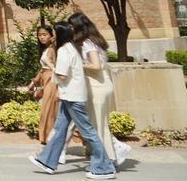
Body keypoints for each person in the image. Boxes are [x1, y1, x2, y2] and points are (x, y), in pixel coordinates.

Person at [30, 22, 116, 179]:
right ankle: (47, 160)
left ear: (60, 34)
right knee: (60, 129)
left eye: (54, 33)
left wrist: (51, 68)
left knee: (88, 131)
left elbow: (62, 76)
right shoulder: (72, 47)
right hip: (70, 95)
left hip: (72, 96)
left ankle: (105, 167)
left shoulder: (63, 50)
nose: (52, 36)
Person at [70, 12, 130, 168]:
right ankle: (111, 154)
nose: (70, 29)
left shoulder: (88, 43)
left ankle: (109, 158)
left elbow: (96, 66)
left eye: (72, 25)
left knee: (98, 125)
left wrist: (78, 64)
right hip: (102, 83)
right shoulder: (96, 41)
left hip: (97, 85)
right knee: (97, 124)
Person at [27, 24, 60, 145]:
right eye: (39, 35)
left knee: (49, 109)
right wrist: (33, 82)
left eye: (44, 34)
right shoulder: (46, 49)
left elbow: (54, 67)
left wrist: (55, 40)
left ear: (51, 35)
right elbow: (42, 69)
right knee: (47, 109)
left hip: (52, 79)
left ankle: (48, 137)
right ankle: (47, 136)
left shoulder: (53, 49)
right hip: (46, 78)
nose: (41, 37)